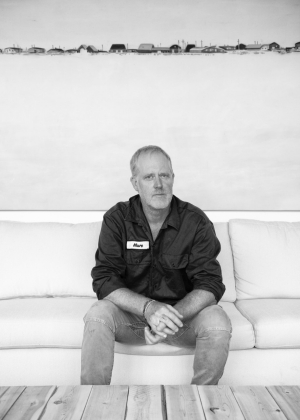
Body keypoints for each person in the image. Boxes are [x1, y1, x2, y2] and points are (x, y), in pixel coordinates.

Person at [81, 145, 232, 385]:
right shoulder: (117, 219)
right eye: (149, 177)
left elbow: (210, 283)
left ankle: (201, 403)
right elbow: (105, 279)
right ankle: (94, 403)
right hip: (132, 319)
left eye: (164, 175)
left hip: (182, 319)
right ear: (135, 183)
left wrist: (169, 318)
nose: (158, 184)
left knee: (217, 320)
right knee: (98, 314)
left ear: (173, 178)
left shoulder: (195, 221)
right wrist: (149, 308)